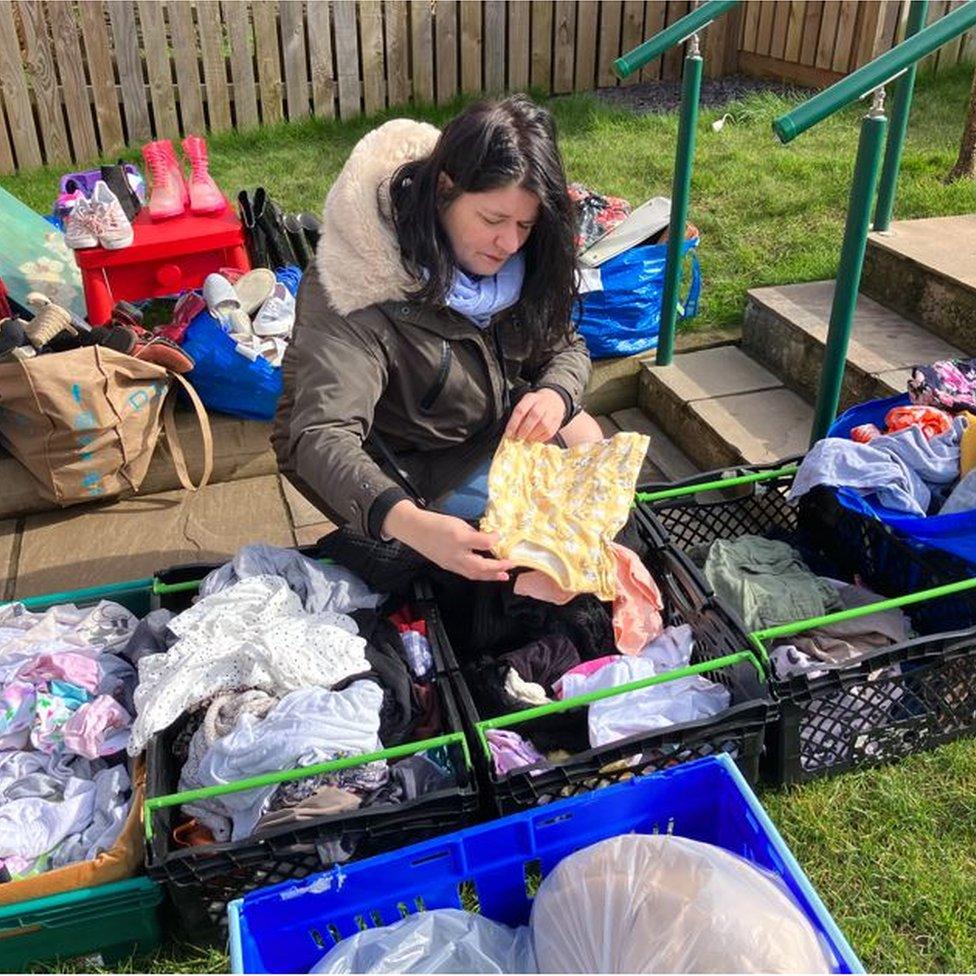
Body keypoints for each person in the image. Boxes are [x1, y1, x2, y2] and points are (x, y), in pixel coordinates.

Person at [274, 96, 604, 583]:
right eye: (493, 221)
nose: (509, 244)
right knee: (516, 557)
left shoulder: (514, 258)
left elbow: (566, 347)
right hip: (403, 464)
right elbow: (320, 437)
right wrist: (412, 523)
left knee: (589, 445)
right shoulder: (353, 286)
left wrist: (555, 394)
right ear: (445, 189)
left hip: (477, 425)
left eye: (525, 226)